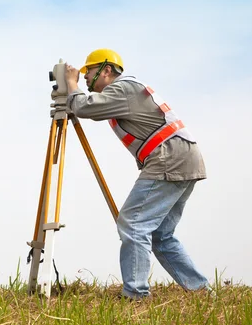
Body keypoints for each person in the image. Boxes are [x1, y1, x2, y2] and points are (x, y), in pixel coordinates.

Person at [62, 48, 210, 300]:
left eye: (89, 71)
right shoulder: (128, 89)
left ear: (106, 70)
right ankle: (200, 290)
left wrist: (70, 84)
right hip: (182, 158)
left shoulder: (122, 88)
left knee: (133, 224)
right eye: (82, 74)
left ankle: (136, 295)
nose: (85, 78)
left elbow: (84, 108)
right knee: (160, 235)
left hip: (169, 158)